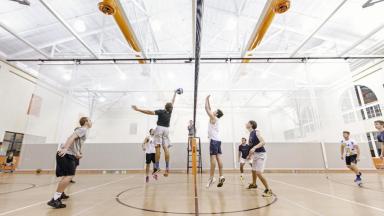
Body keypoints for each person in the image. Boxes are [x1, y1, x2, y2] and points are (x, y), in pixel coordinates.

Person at [47, 117, 92, 209]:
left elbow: (75, 142)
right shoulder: (83, 129)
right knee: (69, 176)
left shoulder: (82, 130)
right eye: (90, 120)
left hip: (70, 154)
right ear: (86, 122)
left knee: (67, 176)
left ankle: (60, 194)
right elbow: (71, 137)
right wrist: (65, 148)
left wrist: (78, 152)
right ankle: (55, 199)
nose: (92, 122)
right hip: (66, 154)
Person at [132, 91, 178, 177]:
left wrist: (138, 109)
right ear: (170, 108)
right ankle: (167, 168)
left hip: (160, 129)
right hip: (167, 130)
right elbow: (172, 102)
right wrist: (175, 93)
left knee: (157, 148)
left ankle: (157, 167)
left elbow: (149, 112)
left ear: (165, 107)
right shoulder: (170, 112)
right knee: (166, 148)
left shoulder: (161, 111)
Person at [246, 120, 272, 197]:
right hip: (255, 155)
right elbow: (251, 147)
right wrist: (249, 155)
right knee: (253, 170)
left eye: (248, 123)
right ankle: (254, 184)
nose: (246, 124)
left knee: (258, 173)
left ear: (251, 125)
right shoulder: (250, 134)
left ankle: (268, 190)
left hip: (261, 154)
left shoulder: (256, 132)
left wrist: (255, 147)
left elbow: (263, 142)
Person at [204, 95, 225, 188]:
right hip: (218, 140)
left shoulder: (213, 118)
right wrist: (208, 100)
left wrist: (205, 99)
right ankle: (221, 176)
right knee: (219, 158)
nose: (213, 111)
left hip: (214, 141)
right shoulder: (216, 119)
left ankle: (211, 178)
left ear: (216, 114)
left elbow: (206, 108)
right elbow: (209, 107)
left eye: (215, 111)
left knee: (212, 160)